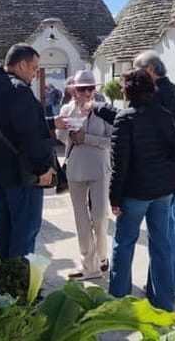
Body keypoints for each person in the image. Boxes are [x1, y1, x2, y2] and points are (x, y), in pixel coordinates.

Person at [108, 69, 175, 312]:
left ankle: (119, 301)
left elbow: (119, 164)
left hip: (135, 191)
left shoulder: (125, 119)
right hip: (162, 190)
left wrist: (115, 197)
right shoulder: (164, 114)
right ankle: (163, 302)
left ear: (128, 91)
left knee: (124, 243)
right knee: (161, 244)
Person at [0, 44, 55, 259]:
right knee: (24, 233)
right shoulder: (20, 90)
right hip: (22, 174)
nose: (35, 73)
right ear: (22, 65)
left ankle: (2, 278)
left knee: (2, 232)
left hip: (0, 171)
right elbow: (29, 134)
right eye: (34, 68)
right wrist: (42, 169)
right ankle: (19, 279)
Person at [132, 50, 175, 298]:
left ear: (150, 70)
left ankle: (172, 280)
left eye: (138, 70)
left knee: (165, 229)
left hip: (163, 172)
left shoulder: (154, 97)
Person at [55, 70, 113, 280]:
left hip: (99, 168)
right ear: (74, 91)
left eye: (91, 88)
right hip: (76, 168)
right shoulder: (67, 109)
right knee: (81, 219)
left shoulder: (104, 110)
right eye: (82, 89)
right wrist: (71, 130)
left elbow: (112, 141)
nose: (87, 93)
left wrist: (86, 138)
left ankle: (102, 257)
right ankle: (89, 266)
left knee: (99, 217)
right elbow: (60, 136)